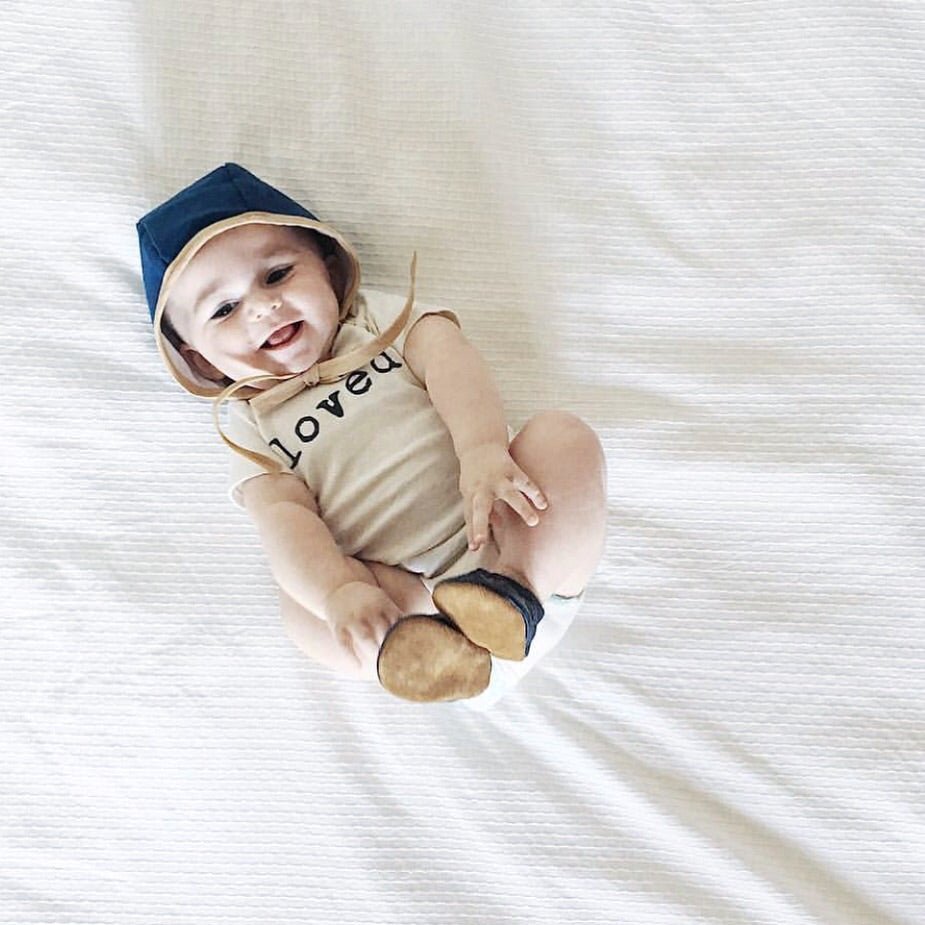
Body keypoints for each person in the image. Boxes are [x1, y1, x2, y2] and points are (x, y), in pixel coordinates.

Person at [136, 162, 607, 708]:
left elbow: (449, 359)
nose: (263, 306)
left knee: (561, 437)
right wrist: (338, 593)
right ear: (199, 359)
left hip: (514, 532)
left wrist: (481, 448)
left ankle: (513, 590)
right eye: (224, 309)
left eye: (278, 274)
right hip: (416, 606)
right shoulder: (249, 422)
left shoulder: (372, 323)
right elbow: (283, 518)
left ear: (328, 267)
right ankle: (416, 650)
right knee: (300, 610)